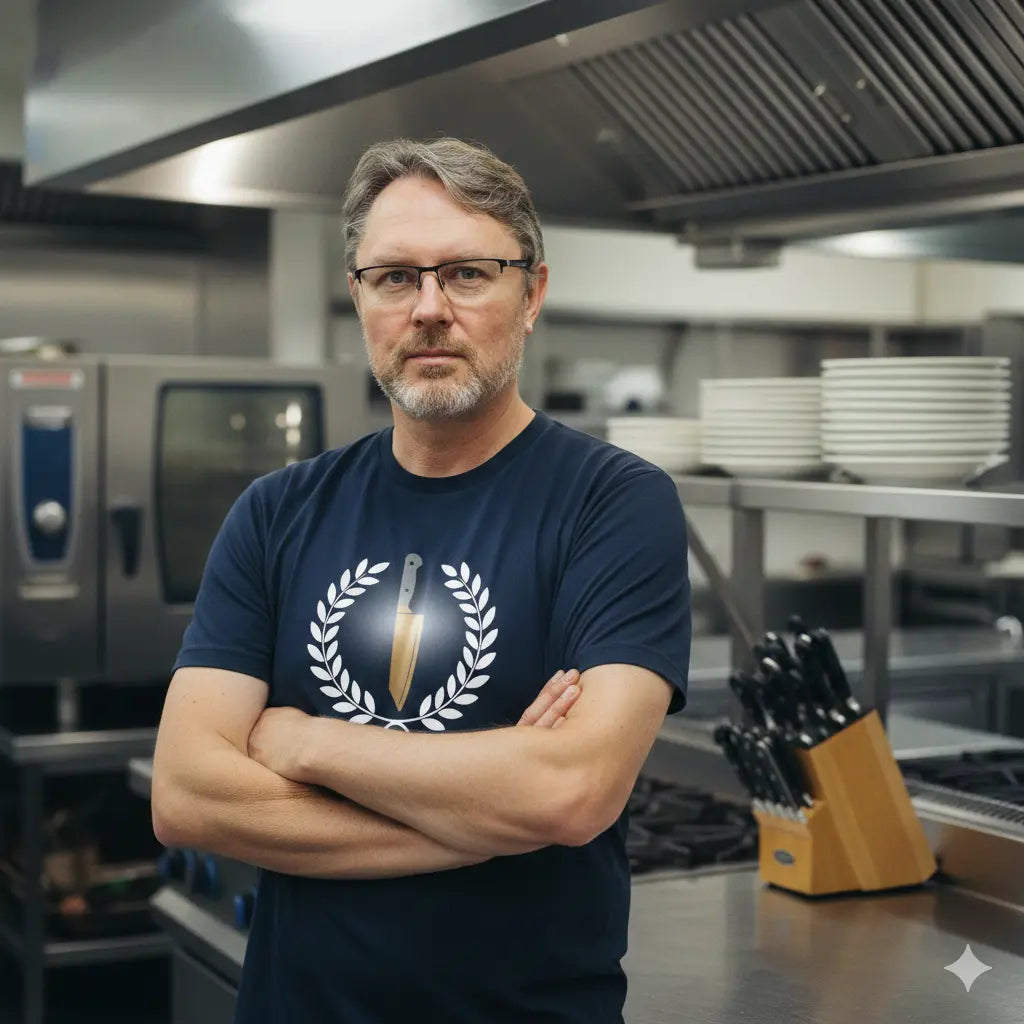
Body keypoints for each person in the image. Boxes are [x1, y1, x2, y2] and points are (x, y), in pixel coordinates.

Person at [151, 136, 691, 1024]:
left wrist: (306, 746)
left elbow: (569, 790)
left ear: (533, 295)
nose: (429, 309)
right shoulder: (277, 511)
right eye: (395, 277)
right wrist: (482, 818)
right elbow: (186, 795)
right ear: (358, 296)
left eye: (468, 273)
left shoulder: (615, 503)